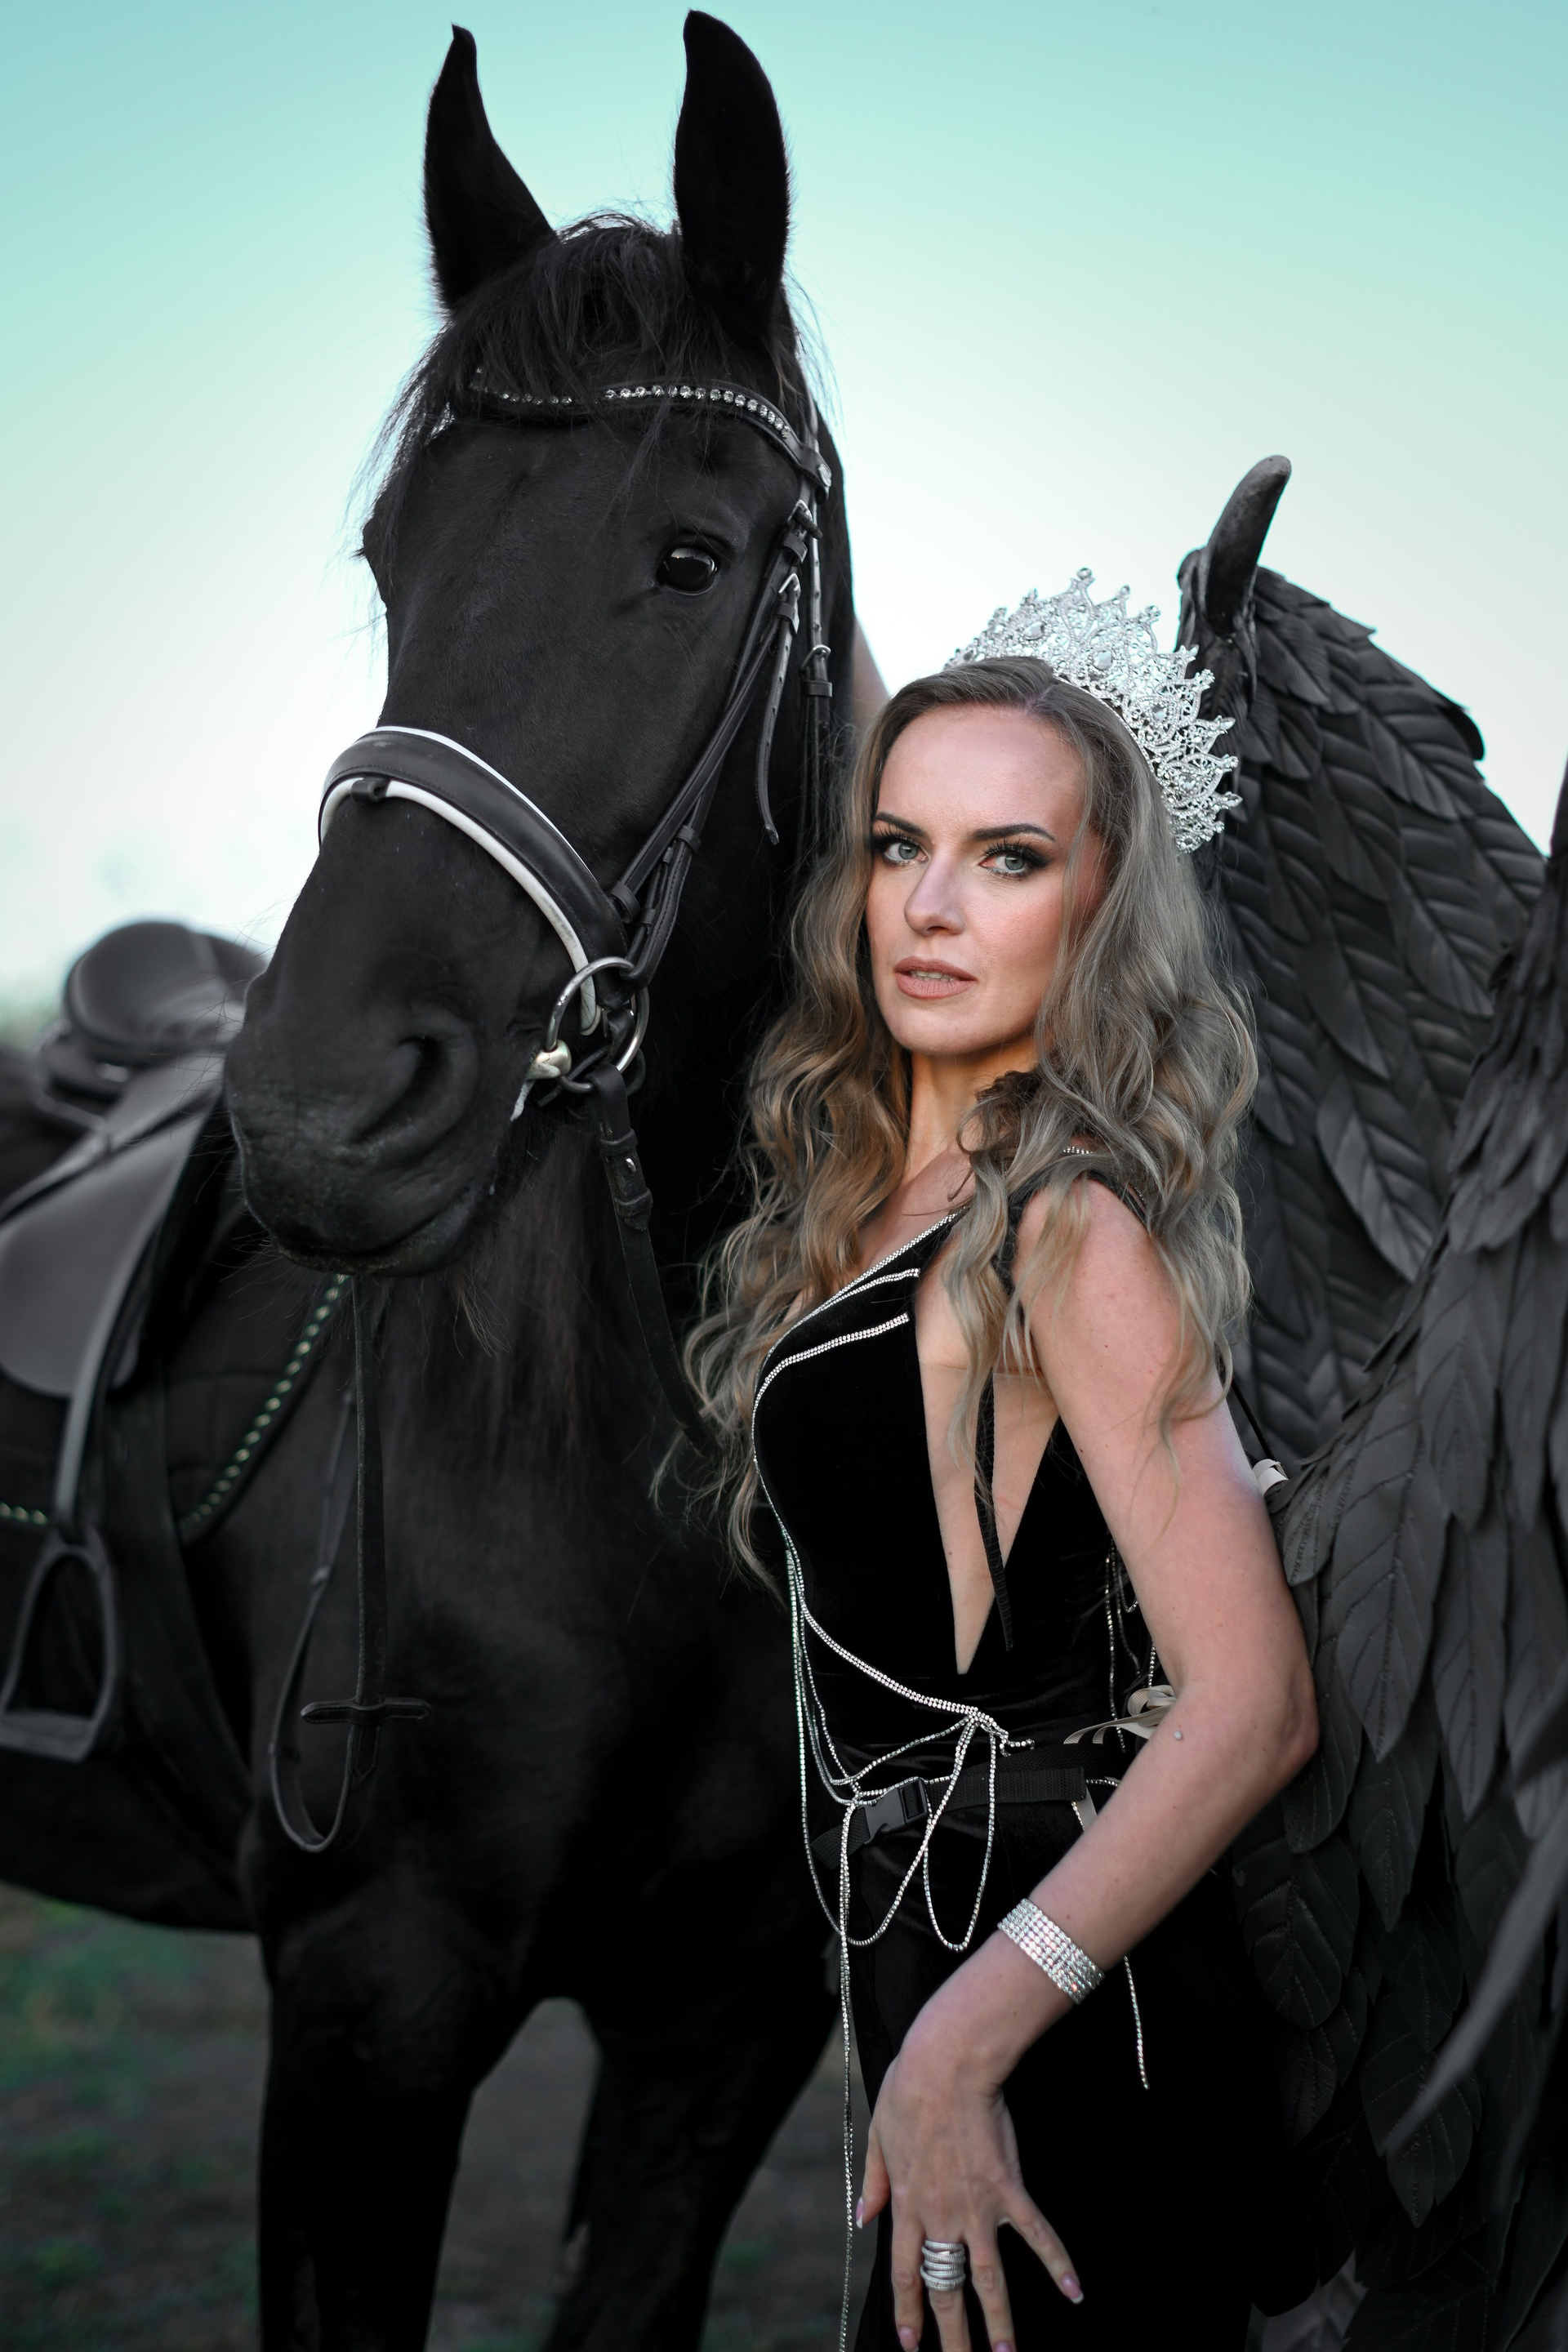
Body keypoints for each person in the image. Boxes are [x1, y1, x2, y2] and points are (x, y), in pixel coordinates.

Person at [688, 577, 1320, 2351]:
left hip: (1055, 1981)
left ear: (1102, 902)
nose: (932, 906)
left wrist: (972, 2032)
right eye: (901, 845)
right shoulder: (876, 1202)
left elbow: (1254, 1701)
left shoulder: (1065, 1224)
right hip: (934, 1939)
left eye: (1010, 858)